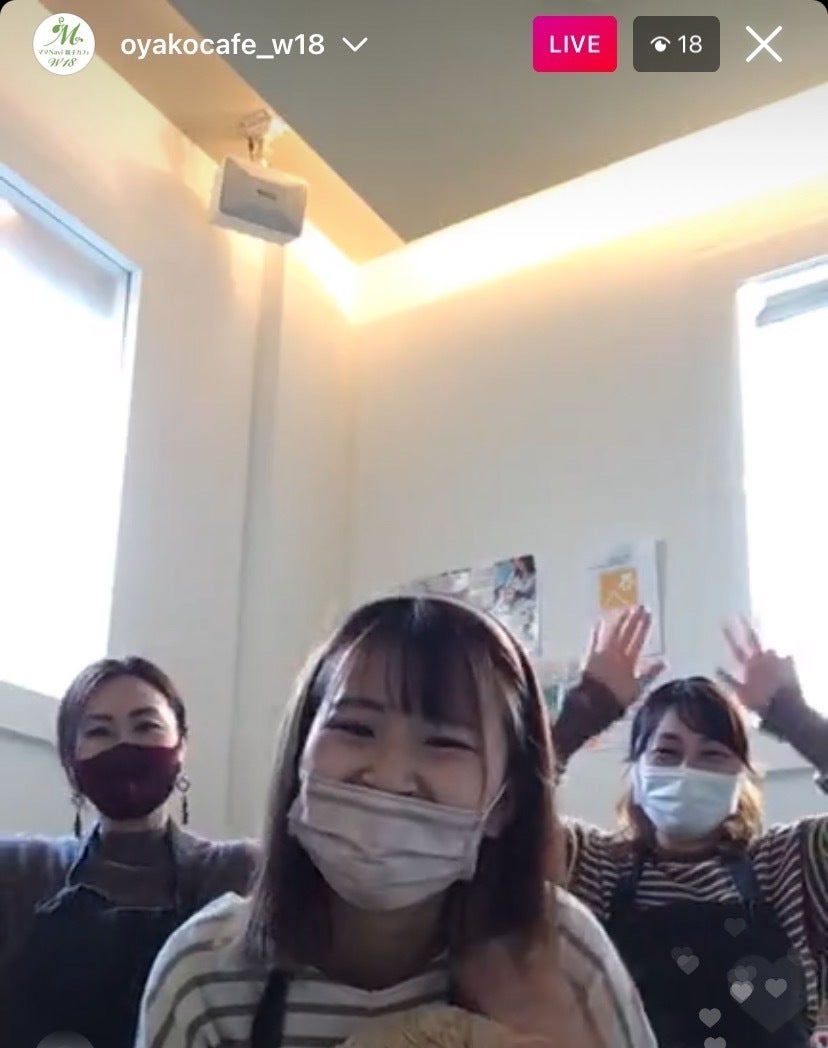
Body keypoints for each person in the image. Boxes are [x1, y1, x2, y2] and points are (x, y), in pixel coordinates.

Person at [136, 596, 656, 1048]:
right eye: (355, 728)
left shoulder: (562, 955)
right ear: (299, 758)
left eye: (444, 742)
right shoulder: (203, 974)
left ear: (504, 803)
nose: (388, 775)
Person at [553, 606, 828, 1048]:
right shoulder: (591, 865)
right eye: (666, 753)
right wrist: (584, 711)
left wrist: (794, 716)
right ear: (636, 770)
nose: (687, 770)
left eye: (713, 755)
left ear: (741, 779)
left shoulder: (790, 864)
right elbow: (494, 816)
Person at [0, 655, 260, 1048]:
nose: (125, 746)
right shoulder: (21, 871)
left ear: (181, 744)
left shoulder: (240, 872)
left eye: (146, 726)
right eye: (100, 731)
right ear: (71, 760)